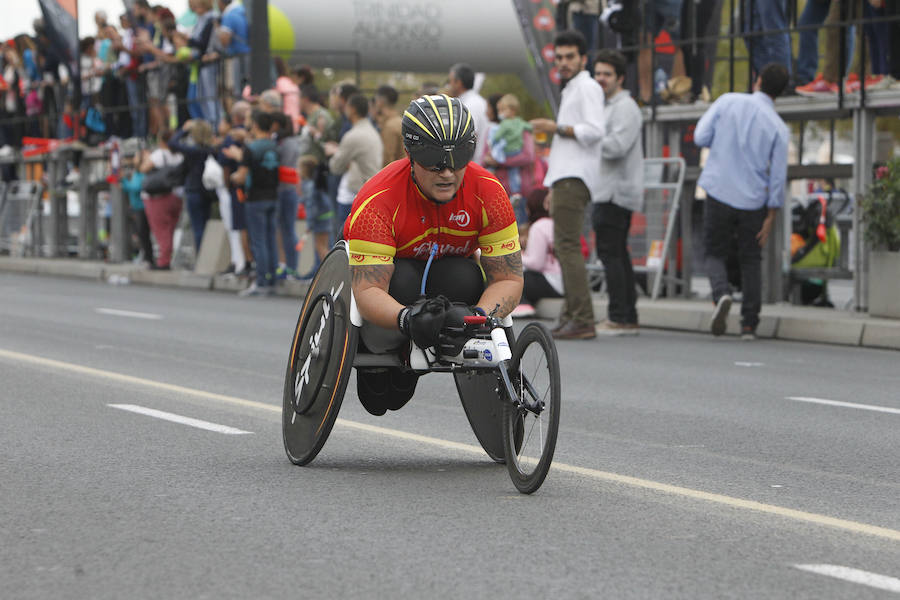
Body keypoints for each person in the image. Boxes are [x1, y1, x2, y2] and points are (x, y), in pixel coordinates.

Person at [344, 94, 522, 416]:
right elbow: (368, 290)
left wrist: (478, 318)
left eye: (457, 162)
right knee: (404, 279)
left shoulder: (490, 193)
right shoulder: (377, 200)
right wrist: (407, 319)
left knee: (466, 275)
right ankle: (383, 359)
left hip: (449, 283)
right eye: (434, 162)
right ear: (411, 155)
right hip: (394, 291)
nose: (447, 174)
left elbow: (508, 277)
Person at [694, 63, 789, 340]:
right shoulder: (779, 128)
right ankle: (749, 323)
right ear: (780, 93)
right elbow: (778, 177)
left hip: (719, 189)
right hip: (753, 200)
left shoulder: (728, 101)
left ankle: (721, 293)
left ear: (757, 81)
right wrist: (771, 215)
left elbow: (701, 136)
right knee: (750, 259)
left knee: (714, 251)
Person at [530, 29, 606, 340]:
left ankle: (582, 318)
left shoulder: (587, 87)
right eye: (559, 57)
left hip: (575, 178)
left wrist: (556, 127)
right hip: (565, 178)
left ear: (583, 58)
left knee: (568, 247)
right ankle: (573, 315)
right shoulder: (574, 88)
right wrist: (551, 184)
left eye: (569, 57)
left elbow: (594, 131)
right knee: (565, 247)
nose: (563, 62)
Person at [592, 49, 643, 336]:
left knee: (611, 253)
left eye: (607, 74)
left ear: (620, 78)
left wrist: (588, 137)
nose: (601, 79)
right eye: (598, 73)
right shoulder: (608, 106)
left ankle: (620, 316)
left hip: (615, 191)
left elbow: (617, 146)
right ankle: (626, 314)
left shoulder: (625, 107)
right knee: (616, 254)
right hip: (608, 190)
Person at [229, 110, 280, 296]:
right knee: (270, 239)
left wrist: (234, 177)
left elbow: (242, 176)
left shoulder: (250, 149)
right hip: (273, 195)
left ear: (256, 125)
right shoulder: (274, 147)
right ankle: (273, 280)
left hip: (255, 197)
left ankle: (261, 282)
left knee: (258, 241)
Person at [324, 93, 382, 236]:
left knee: (343, 245)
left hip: (352, 196)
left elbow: (335, 167)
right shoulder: (372, 131)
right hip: (367, 192)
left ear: (352, 109)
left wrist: (333, 153)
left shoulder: (353, 135)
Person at [512, 188, 563, 318]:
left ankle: (522, 305)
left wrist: (515, 256)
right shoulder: (556, 223)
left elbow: (536, 263)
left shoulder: (539, 226)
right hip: (564, 282)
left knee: (517, 275)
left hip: (551, 281)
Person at [168, 119, 218, 250]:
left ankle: (201, 255)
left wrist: (184, 130)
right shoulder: (212, 150)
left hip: (193, 190)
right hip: (208, 191)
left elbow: (172, 143)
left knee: (198, 226)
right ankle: (206, 253)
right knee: (205, 224)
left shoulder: (193, 151)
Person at [139, 130, 184, 270]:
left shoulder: (159, 155)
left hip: (159, 197)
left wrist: (145, 158)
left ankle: (163, 261)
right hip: (175, 196)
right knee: (169, 229)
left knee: (161, 230)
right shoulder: (179, 155)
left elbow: (143, 168)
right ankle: (166, 258)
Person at [447, 63, 489, 164]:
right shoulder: (478, 101)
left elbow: (469, 138)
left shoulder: (469, 105)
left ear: (459, 83)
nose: (448, 85)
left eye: (450, 81)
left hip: (473, 165)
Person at [373, 84, 404, 166]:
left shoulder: (390, 126)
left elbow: (387, 160)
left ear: (380, 102)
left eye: (376, 100)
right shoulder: (400, 121)